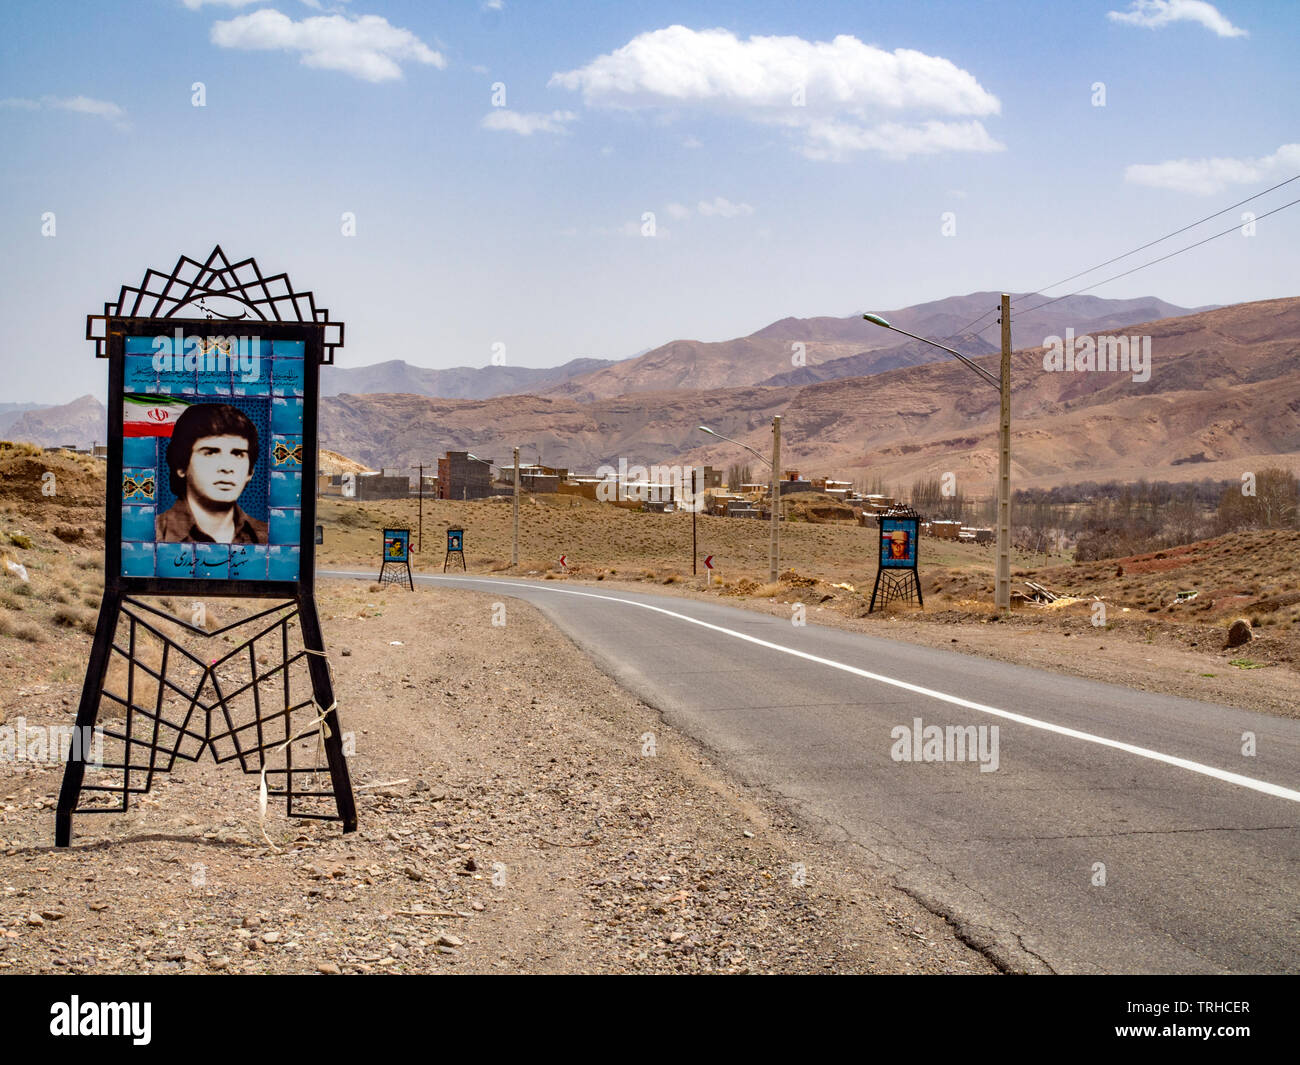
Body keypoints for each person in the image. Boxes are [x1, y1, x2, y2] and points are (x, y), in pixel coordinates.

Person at [155, 403, 268, 544]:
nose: (227, 467)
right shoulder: (151, 534)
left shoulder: (269, 538)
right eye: (210, 453)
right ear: (182, 466)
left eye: (238, 454)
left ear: (250, 471)